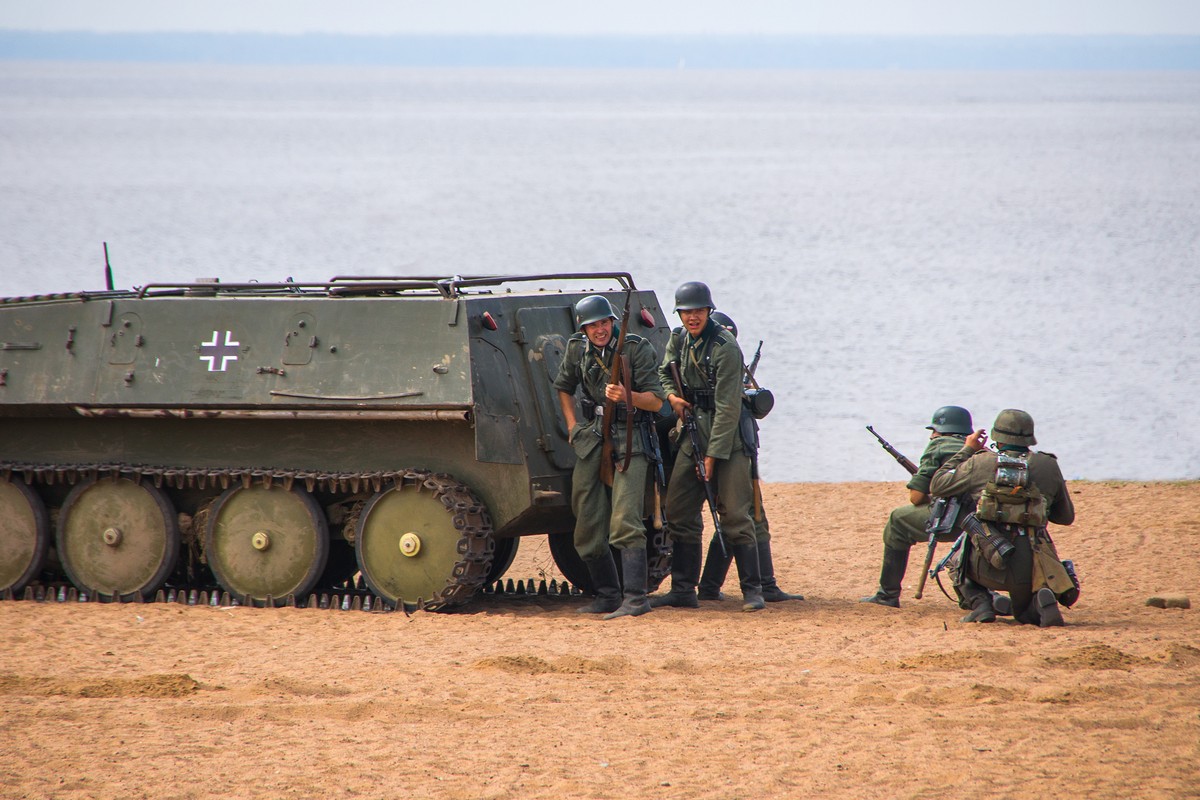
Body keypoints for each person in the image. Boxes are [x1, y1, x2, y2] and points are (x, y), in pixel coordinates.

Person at [651, 282, 765, 612]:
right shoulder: (678, 339)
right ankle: (683, 590)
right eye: (686, 312)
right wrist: (672, 397)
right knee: (678, 510)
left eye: (698, 311)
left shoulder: (725, 346)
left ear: (708, 311)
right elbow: (664, 373)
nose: (692, 317)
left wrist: (713, 456)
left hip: (727, 439)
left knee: (735, 515)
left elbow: (728, 408)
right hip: (693, 432)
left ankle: (753, 590)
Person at [554, 294, 667, 619]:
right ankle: (607, 595)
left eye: (604, 323)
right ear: (584, 329)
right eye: (593, 326)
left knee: (624, 521)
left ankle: (636, 599)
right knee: (586, 523)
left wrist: (627, 396)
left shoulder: (635, 348)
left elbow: (657, 401)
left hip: (631, 438)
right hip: (593, 438)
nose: (600, 330)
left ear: (612, 322)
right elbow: (563, 385)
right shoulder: (577, 348)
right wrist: (572, 426)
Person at [929, 409, 1077, 626]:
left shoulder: (980, 462)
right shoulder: (1048, 465)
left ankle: (981, 604)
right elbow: (1065, 517)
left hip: (987, 559)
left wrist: (968, 449)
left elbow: (938, 484)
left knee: (953, 561)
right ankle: (1039, 600)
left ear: (996, 437)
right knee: (1024, 614)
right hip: (1033, 564)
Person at [695, 311, 803, 603]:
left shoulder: (730, 363)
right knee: (740, 517)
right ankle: (724, 587)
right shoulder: (703, 366)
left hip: (743, 445)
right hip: (725, 447)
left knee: (752, 516)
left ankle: (756, 585)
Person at [860, 406, 974, 608]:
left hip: (950, 520)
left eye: (934, 431)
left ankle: (887, 594)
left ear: (941, 431)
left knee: (897, 520)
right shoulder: (979, 448)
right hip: (978, 522)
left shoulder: (938, 446)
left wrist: (931, 491)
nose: (931, 436)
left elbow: (916, 497)